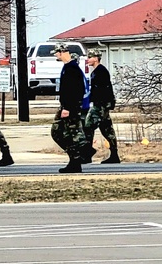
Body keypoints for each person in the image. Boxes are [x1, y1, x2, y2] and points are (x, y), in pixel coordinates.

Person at [51, 43, 88, 173]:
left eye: (56, 53)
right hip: (65, 106)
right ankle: (76, 158)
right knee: (58, 132)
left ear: (62, 52)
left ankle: (76, 160)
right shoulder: (67, 68)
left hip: (70, 108)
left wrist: (68, 108)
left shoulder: (72, 69)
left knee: (69, 134)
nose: (55, 55)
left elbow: (76, 91)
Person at [84, 49, 120, 164]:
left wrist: (98, 102)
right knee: (107, 130)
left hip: (100, 105)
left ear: (96, 58)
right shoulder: (97, 71)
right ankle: (114, 155)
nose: (87, 60)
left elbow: (102, 90)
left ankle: (88, 153)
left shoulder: (100, 72)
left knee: (88, 126)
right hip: (103, 104)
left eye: (90, 57)